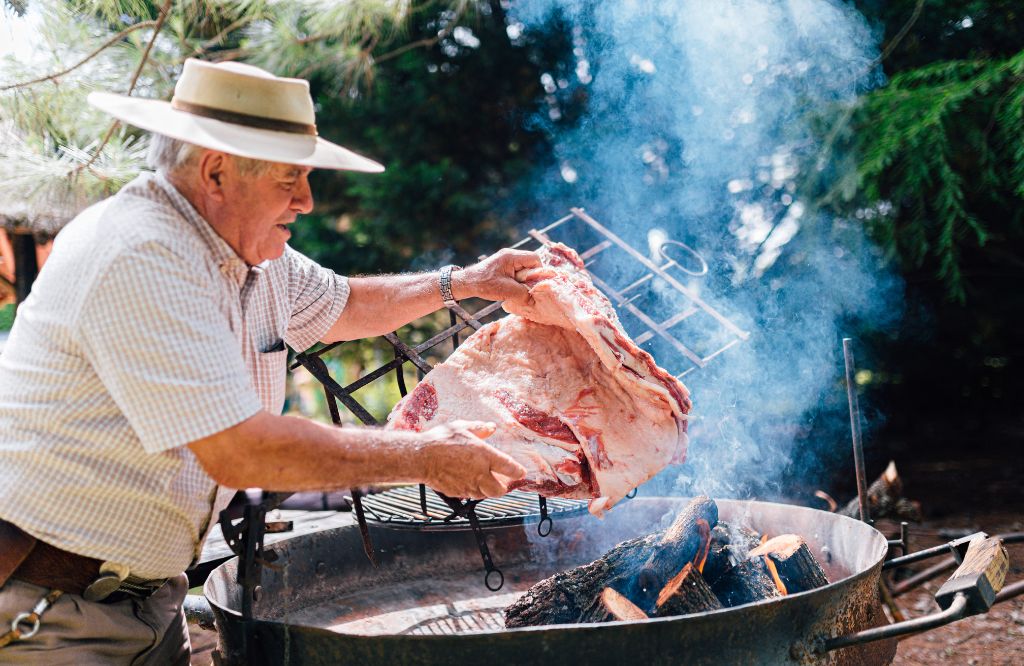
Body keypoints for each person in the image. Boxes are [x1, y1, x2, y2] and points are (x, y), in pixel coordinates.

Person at [0, 58, 534, 664]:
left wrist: (468, 281)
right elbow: (242, 449)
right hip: (47, 610)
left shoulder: (252, 257)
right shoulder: (139, 253)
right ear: (216, 170)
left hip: (144, 603)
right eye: (290, 180)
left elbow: (349, 304)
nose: (306, 201)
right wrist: (427, 456)